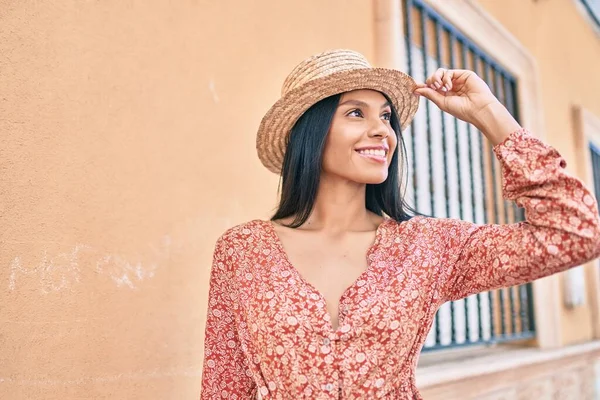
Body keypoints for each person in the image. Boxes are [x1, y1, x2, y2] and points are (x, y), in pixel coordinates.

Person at [199, 49, 600, 399]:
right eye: (356, 112)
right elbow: (224, 385)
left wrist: (489, 115)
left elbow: (575, 232)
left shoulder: (429, 246)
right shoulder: (243, 250)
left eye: (387, 117)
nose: (383, 131)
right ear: (311, 132)